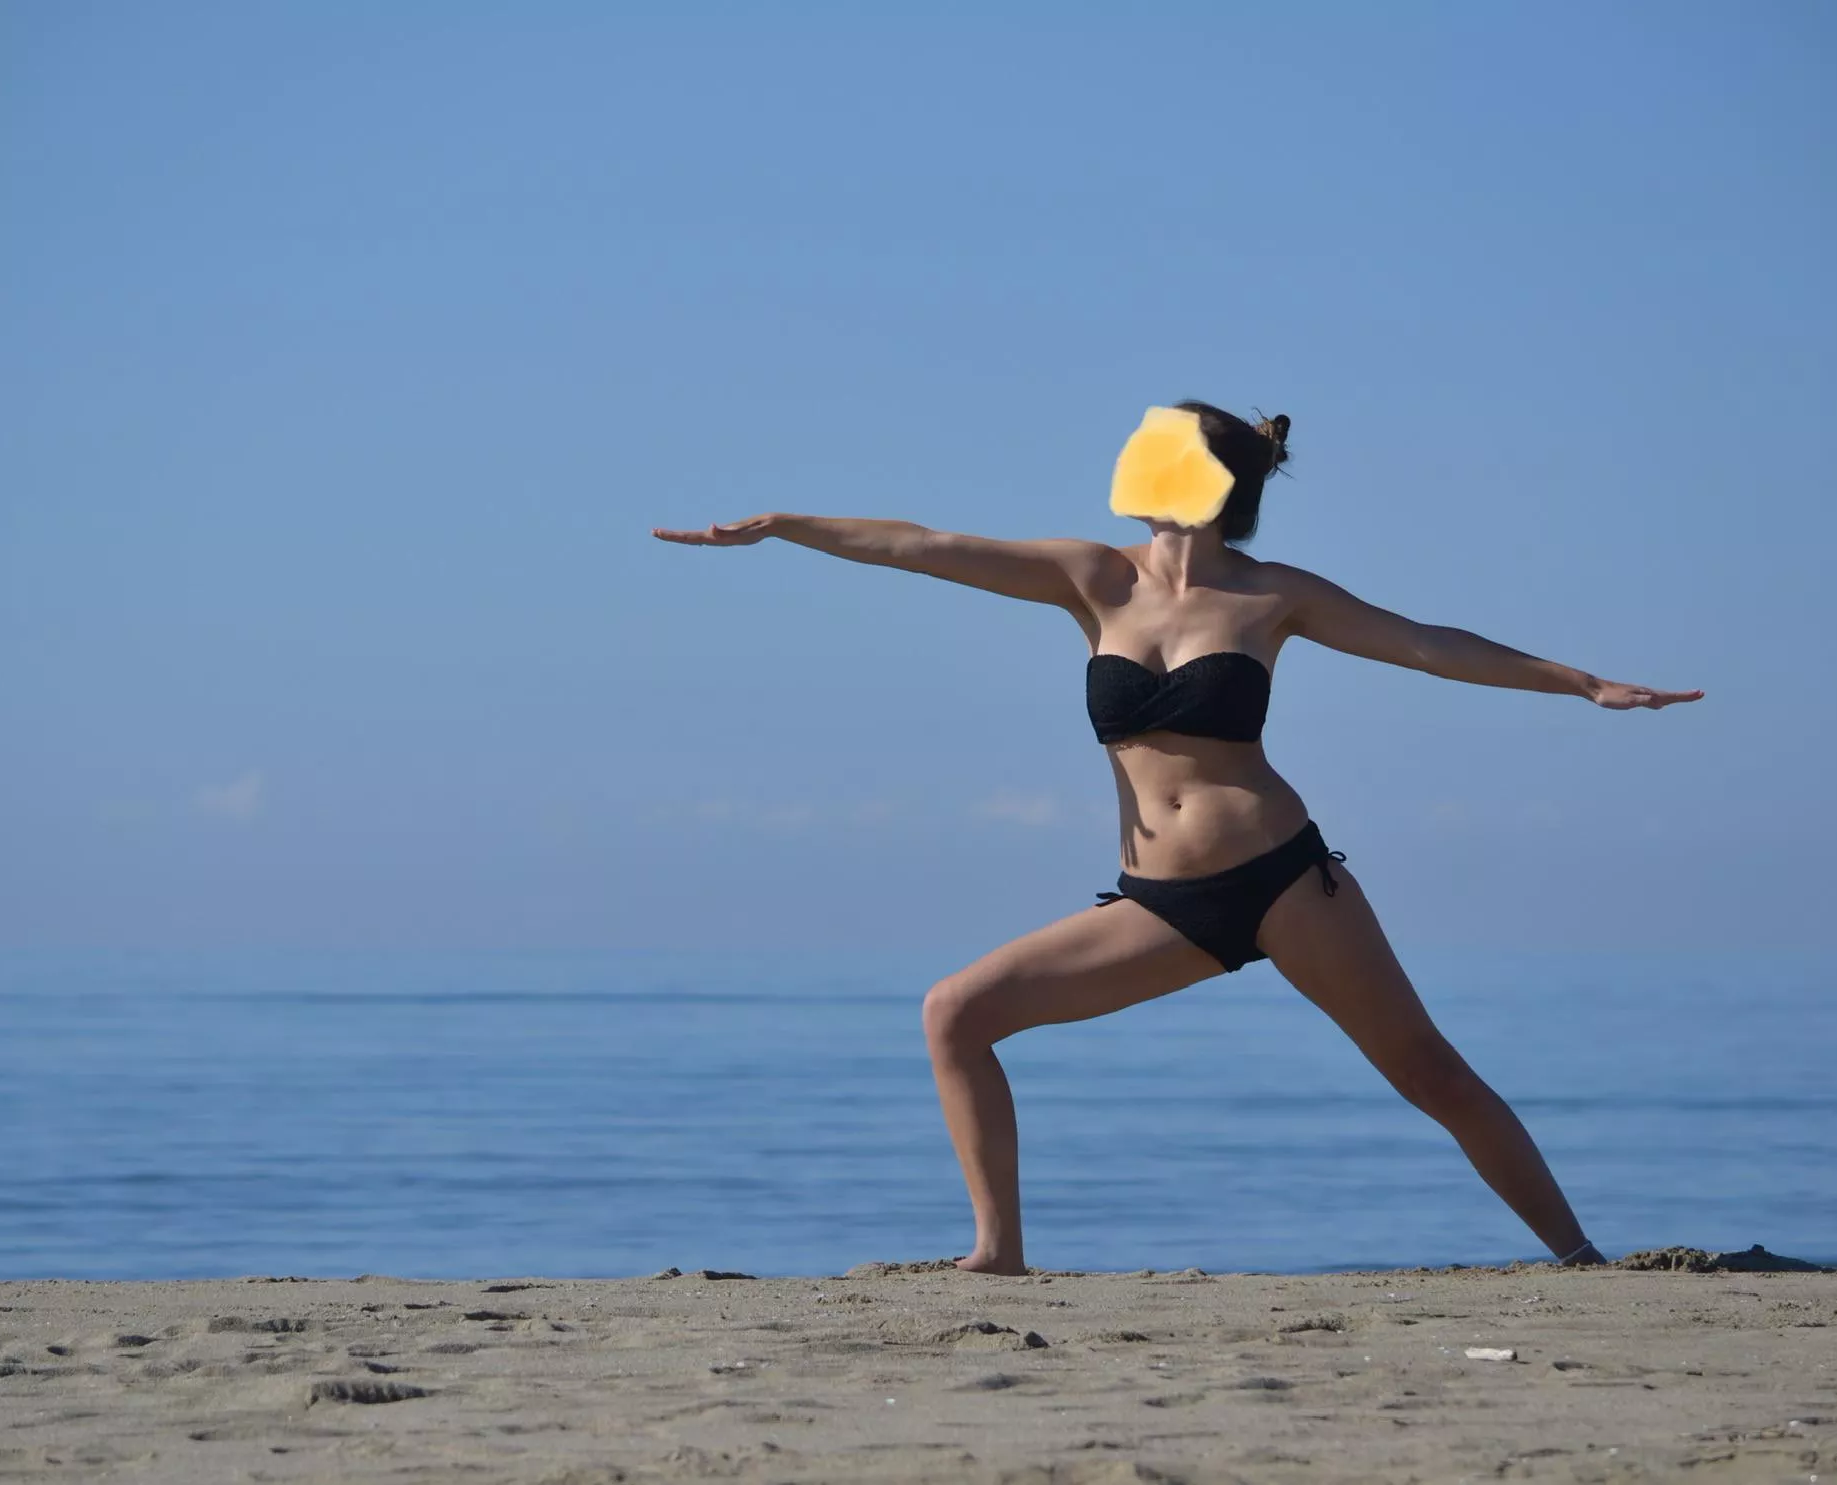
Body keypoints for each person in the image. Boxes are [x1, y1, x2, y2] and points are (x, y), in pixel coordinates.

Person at [650, 401, 1701, 1275]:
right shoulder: (1089, 576)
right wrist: (789, 523)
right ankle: (998, 1254)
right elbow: (924, 546)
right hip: (1159, 904)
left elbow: (1427, 645)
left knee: (1428, 1071)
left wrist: (1580, 682)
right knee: (955, 1013)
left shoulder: (1274, 596)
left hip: (1288, 881)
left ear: (1202, 478)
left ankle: (1577, 1260)